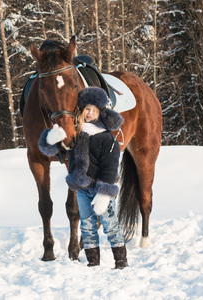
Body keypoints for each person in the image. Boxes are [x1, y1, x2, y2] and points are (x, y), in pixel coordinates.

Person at [38, 87, 128, 269]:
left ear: (101, 112)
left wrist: (104, 193)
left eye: (95, 110)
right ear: (81, 110)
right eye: (87, 108)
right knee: (87, 226)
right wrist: (51, 138)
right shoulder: (77, 135)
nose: (90, 113)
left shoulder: (107, 139)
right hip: (82, 189)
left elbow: (110, 167)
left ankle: (121, 262)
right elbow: (52, 150)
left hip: (101, 190)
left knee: (111, 225)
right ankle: (93, 262)